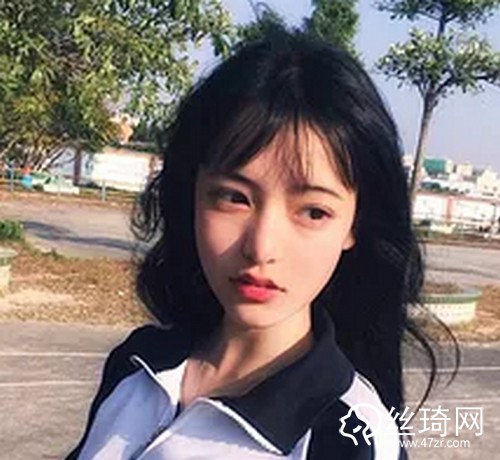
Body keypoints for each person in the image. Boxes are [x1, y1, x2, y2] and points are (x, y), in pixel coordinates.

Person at [66, 29, 446, 459]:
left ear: (354, 225)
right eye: (234, 197)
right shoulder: (138, 363)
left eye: (313, 212)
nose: (261, 248)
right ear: (192, 193)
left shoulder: (346, 435)